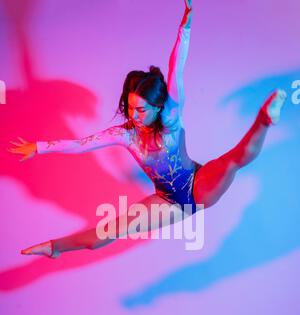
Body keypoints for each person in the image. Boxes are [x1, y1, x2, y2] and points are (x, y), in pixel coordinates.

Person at [8, 0, 287, 259]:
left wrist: (185, 25)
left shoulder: (171, 118)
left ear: (157, 106)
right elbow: (81, 144)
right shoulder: (125, 135)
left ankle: (264, 118)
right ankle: (55, 248)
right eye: (130, 108)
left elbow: (176, 67)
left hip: (197, 185)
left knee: (235, 159)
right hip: (166, 201)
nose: (134, 115)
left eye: (141, 110)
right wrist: (39, 147)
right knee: (102, 236)